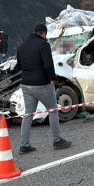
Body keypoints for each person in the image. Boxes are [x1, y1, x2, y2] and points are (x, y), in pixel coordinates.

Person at [17, 24, 72, 153]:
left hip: (26, 84)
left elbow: (19, 66)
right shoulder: (43, 44)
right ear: (44, 34)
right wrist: (52, 77)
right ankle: (57, 140)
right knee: (53, 110)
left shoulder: (21, 46)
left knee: (28, 114)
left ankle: (24, 145)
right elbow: (48, 63)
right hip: (41, 84)